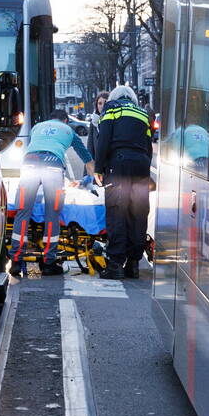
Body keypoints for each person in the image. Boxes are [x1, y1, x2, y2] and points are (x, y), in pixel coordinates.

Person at [10, 109, 96, 277]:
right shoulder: (68, 130)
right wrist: (93, 179)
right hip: (53, 166)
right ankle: (49, 263)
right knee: (52, 213)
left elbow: (33, 147)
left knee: (23, 211)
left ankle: (16, 261)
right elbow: (86, 158)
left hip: (29, 163)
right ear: (65, 120)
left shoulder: (37, 127)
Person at [94, 85, 152, 280]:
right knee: (138, 213)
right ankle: (134, 264)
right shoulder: (142, 113)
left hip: (119, 165)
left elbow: (104, 140)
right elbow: (148, 146)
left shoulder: (111, 108)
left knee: (117, 211)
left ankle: (116, 264)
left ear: (113, 97)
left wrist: (98, 168)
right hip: (141, 166)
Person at [86, 91, 109, 157]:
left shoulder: (114, 121)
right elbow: (90, 145)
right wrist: (90, 161)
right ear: (96, 105)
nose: (102, 106)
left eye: (105, 103)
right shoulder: (93, 122)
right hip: (97, 159)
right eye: (99, 103)